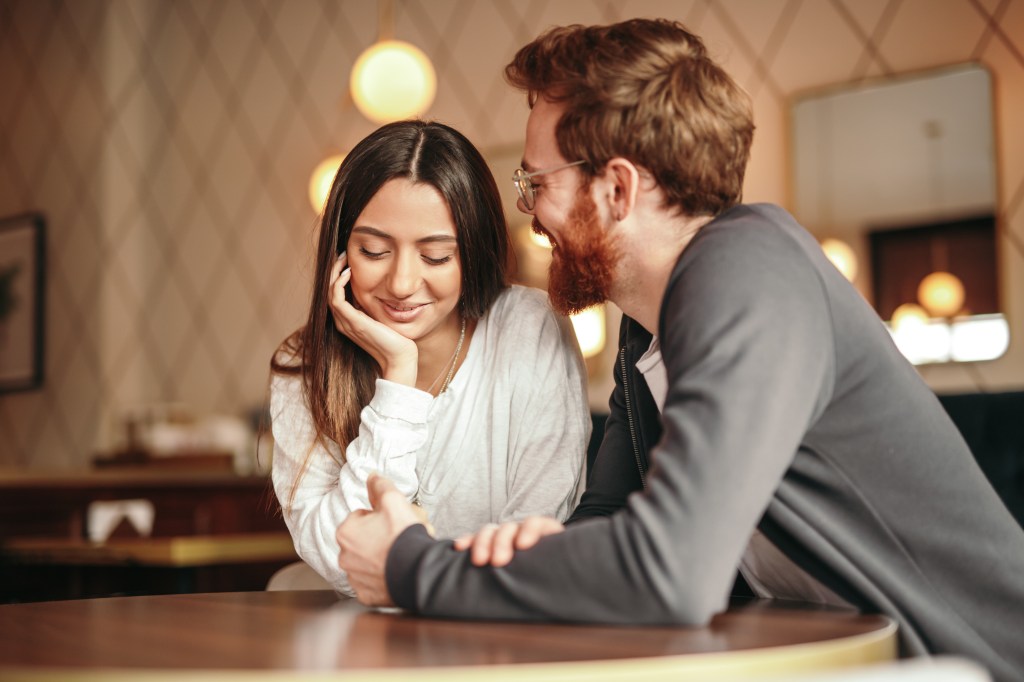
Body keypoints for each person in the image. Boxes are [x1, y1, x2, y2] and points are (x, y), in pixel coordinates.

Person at [334, 19, 1024, 681]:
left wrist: (412, 566)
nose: (529, 211)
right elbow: (605, 519)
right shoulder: (649, 326)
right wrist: (501, 555)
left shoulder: (752, 272)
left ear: (618, 188)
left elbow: (670, 571)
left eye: (536, 184)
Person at [270, 120, 590, 595]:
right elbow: (340, 563)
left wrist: (419, 578)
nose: (400, 284)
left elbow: (531, 545)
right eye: (373, 250)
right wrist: (398, 381)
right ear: (341, 251)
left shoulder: (530, 328)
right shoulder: (305, 364)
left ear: (475, 253)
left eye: (437, 257)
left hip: (494, 637)